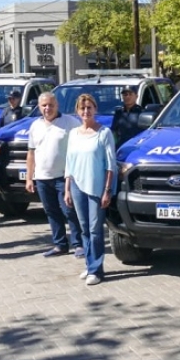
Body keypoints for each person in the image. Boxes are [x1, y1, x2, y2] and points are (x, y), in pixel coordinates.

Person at [64, 94, 117, 286]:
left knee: (95, 230)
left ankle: (96, 270)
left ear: (95, 109)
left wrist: (107, 190)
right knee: (84, 228)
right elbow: (69, 162)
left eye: (89, 108)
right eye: (82, 108)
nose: (86, 111)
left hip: (96, 187)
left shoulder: (104, 133)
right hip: (77, 185)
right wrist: (67, 189)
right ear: (77, 111)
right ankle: (89, 263)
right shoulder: (73, 133)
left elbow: (110, 165)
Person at [25, 91, 84, 258]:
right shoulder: (35, 126)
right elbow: (31, 153)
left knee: (69, 211)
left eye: (51, 105)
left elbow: (80, 148)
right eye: (44, 105)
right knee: (51, 212)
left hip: (64, 177)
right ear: (39, 107)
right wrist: (29, 178)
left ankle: (78, 244)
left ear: (57, 105)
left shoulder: (70, 122)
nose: (47, 108)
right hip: (42, 177)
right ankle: (60, 245)